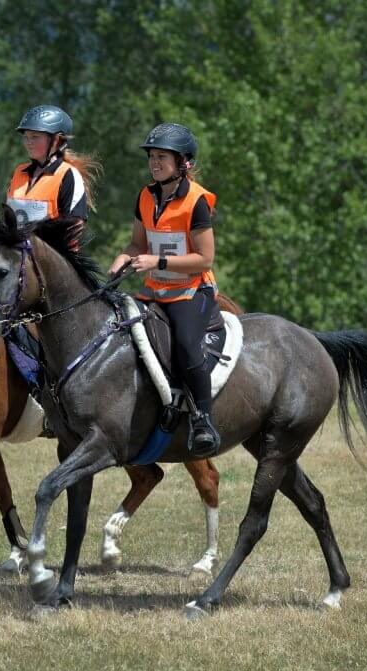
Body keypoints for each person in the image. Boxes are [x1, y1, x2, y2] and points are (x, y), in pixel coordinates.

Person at [108, 123, 222, 456]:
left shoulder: (197, 201)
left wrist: (156, 262)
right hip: (155, 291)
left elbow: (204, 259)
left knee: (186, 345)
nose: (154, 163)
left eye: (162, 157)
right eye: (151, 157)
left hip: (192, 292)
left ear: (183, 163)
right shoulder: (146, 196)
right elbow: (136, 244)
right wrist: (117, 267)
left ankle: (203, 420)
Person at [6, 105, 99, 251]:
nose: (29, 142)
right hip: (16, 256)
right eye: (26, 137)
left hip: (53, 260)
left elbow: (74, 228)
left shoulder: (68, 174)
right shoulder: (19, 172)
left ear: (56, 140)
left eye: (35, 137)